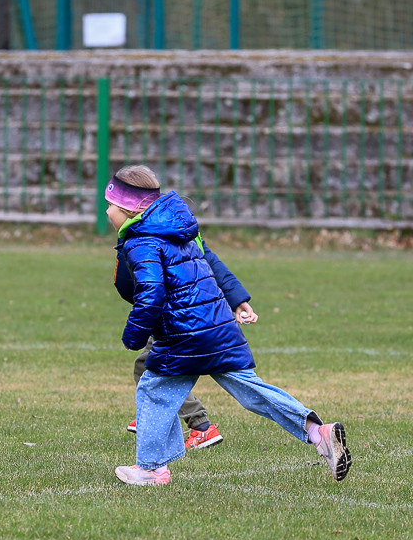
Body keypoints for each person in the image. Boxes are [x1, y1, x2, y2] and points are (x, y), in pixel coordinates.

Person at [104, 165, 351, 486]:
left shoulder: (143, 241)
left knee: (154, 392)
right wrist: (237, 298)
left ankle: (152, 469)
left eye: (109, 204)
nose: (106, 211)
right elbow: (211, 261)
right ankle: (318, 431)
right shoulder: (177, 227)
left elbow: (151, 292)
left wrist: (133, 334)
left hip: (184, 332)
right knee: (250, 389)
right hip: (217, 325)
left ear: (129, 207)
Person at [117, 235, 259, 450]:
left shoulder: (153, 231)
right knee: (149, 368)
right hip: (178, 313)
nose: (108, 212)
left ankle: (200, 427)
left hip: (181, 316)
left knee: (157, 369)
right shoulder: (155, 228)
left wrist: (237, 299)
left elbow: (209, 262)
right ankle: (153, 418)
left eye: (112, 206)